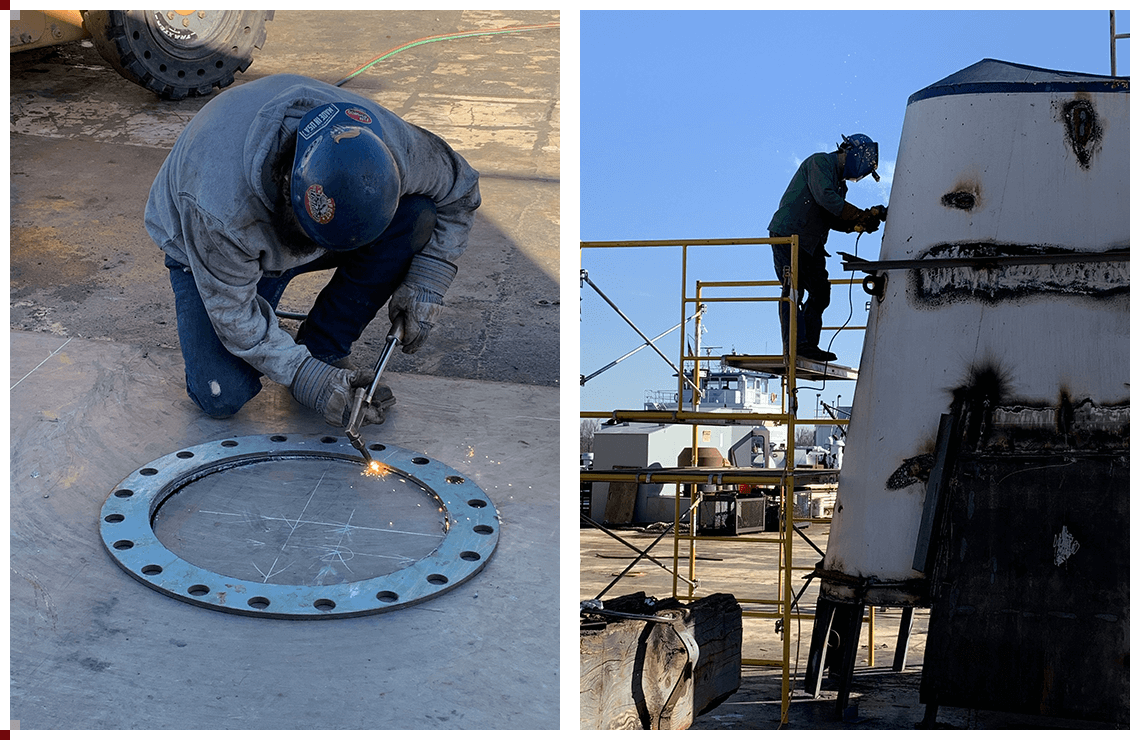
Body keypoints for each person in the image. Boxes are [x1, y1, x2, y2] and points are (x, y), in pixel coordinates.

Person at [145, 74, 480, 427]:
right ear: (287, 186)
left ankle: (325, 345)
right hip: (203, 251)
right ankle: (303, 357)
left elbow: (462, 190)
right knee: (221, 392)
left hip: (284, 230)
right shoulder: (220, 211)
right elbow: (235, 317)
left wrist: (430, 276)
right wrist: (309, 381)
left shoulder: (394, 147)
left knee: (417, 217)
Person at [767, 134, 883, 362]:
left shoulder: (840, 185)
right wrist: (860, 215)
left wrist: (857, 225)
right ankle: (796, 346)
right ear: (852, 153)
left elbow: (833, 216)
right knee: (793, 290)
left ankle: (809, 345)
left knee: (821, 292)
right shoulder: (820, 163)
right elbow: (826, 199)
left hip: (811, 242)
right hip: (788, 235)